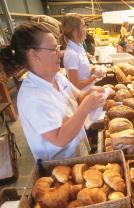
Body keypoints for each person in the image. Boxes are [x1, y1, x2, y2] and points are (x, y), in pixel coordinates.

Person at [0, 22, 105, 160]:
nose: (60, 54)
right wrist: (85, 108)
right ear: (34, 55)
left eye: (58, 48)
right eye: (53, 49)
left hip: (78, 155)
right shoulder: (32, 97)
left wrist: (92, 92)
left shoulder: (56, 76)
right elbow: (59, 138)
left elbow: (78, 96)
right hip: (59, 167)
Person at [62, 14, 101, 92]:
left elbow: (81, 73)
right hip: (81, 96)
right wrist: (94, 77)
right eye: (83, 26)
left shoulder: (79, 46)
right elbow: (76, 85)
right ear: (74, 31)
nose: (86, 28)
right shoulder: (71, 54)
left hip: (87, 90)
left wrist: (92, 70)